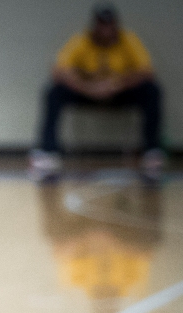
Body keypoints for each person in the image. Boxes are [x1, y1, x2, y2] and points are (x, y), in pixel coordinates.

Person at [30, 4, 164, 182]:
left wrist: (117, 84)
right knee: (54, 92)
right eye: (102, 24)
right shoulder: (81, 40)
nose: (105, 30)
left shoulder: (128, 39)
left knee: (152, 90)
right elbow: (58, 71)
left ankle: (151, 151)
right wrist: (88, 87)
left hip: (119, 92)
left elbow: (147, 71)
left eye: (109, 24)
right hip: (87, 92)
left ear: (115, 25)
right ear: (95, 25)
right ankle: (48, 152)